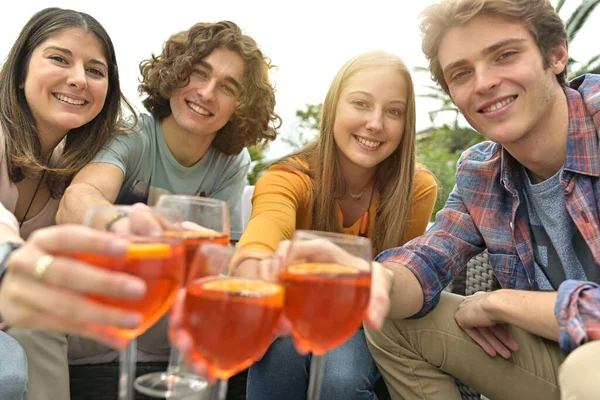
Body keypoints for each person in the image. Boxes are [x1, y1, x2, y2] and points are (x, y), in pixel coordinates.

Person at [9, 20, 280, 400]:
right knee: (34, 319)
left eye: (227, 87)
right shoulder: (134, 135)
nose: (206, 92)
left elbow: (224, 258)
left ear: (241, 105)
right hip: (103, 303)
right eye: (197, 74)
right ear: (174, 75)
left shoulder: (229, 163)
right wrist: (124, 224)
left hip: (169, 312)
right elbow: (77, 200)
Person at [363, 1, 600, 399]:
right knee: (388, 317)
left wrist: (502, 303)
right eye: (462, 73)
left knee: (588, 369)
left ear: (556, 54)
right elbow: (428, 259)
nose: (484, 83)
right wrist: (377, 281)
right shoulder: (481, 173)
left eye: (505, 55)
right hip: (557, 362)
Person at [233, 51, 438, 400]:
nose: (376, 123)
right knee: (282, 350)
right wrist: (252, 271)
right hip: (291, 312)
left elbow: (402, 277)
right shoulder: (288, 177)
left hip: (366, 323)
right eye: (361, 103)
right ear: (333, 108)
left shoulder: (416, 188)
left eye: (393, 111)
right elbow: (266, 229)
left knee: (339, 375)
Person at [0, 7, 144, 400]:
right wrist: (11, 264)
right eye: (59, 59)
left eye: (95, 70)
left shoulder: (77, 167)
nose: (79, 79)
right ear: (19, 71)